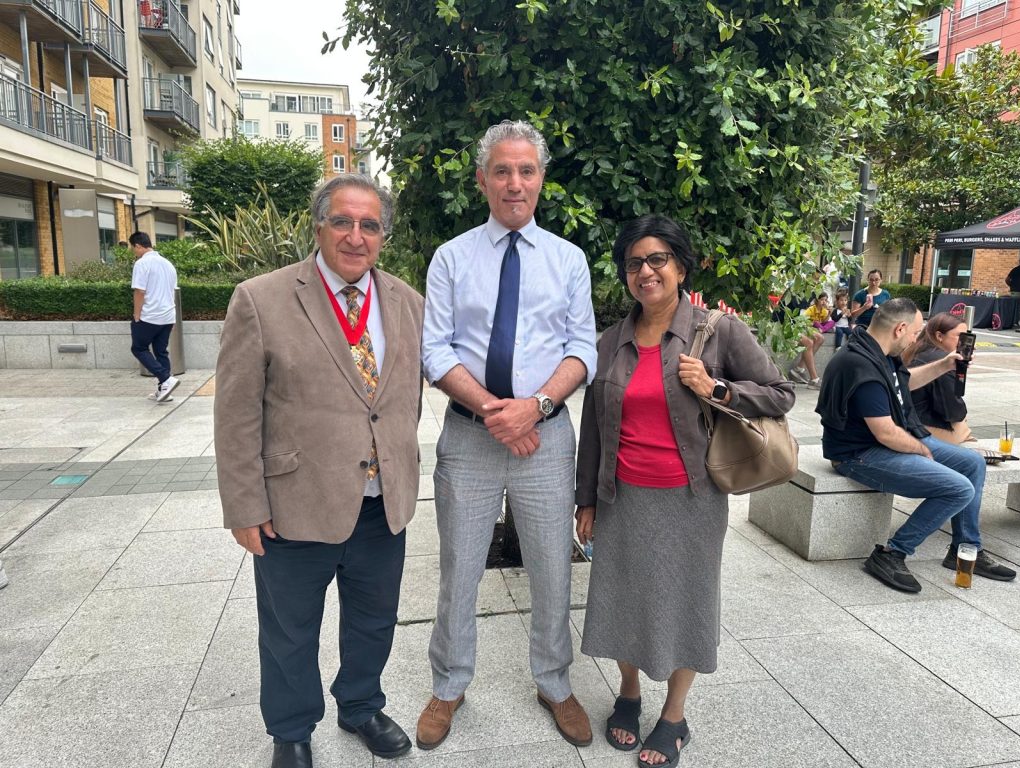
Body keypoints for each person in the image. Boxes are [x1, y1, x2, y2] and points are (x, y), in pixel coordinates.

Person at [215, 175, 424, 768]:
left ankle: (360, 706)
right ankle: (291, 730)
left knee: (374, 622)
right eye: (342, 222)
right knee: (290, 631)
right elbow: (235, 414)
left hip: (381, 505)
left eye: (369, 225)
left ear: (382, 235)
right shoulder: (261, 299)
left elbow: (400, 400)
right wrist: (245, 506)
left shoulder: (407, 303)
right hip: (295, 505)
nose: (356, 236)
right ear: (319, 227)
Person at [574, 215, 794, 768]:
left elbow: (780, 393)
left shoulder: (719, 332)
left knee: (688, 602)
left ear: (680, 266)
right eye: (634, 263)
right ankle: (628, 694)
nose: (645, 272)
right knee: (621, 600)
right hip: (623, 496)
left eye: (657, 260)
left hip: (692, 500)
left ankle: (674, 716)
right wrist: (586, 499)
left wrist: (717, 387)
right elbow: (594, 426)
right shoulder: (611, 342)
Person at [418, 120, 597, 750]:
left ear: (541, 178)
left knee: (552, 570)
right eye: (502, 170)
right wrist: (500, 412)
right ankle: (448, 685)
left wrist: (535, 407)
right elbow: (435, 350)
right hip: (469, 437)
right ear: (482, 180)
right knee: (459, 570)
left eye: (526, 170)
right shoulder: (451, 257)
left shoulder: (568, 260)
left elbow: (581, 349)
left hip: (545, 438)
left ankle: (554, 682)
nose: (514, 182)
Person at [816, 298, 1016, 593]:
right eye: (915, 333)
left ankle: (965, 548)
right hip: (859, 454)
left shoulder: (879, 351)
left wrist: (946, 363)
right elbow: (885, 433)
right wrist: (922, 450)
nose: (916, 339)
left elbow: (903, 384)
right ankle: (892, 553)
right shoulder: (860, 364)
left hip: (889, 439)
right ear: (899, 329)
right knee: (959, 488)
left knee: (972, 463)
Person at [903, 312, 975, 444]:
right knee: (963, 429)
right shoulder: (943, 362)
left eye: (966, 336)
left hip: (906, 419)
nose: (964, 342)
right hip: (921, 427)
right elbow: (953, 412)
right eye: (960, 336)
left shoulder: (916, 350)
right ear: (939, 336)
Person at [129, 231, 178, 403]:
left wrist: (136, 315)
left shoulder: (142, 264)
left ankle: (166, 379)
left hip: (149, 315)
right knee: (161, 351)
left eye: (133, 248)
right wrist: (172, 317)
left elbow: (139, 291)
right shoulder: (168, 264)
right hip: (168, 315)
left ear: (138, 245)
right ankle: (164, 390)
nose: (134, 252)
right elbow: (172, 291)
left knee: (139, 349)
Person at [1005, 252, 1020, 330]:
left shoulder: (1015, 269)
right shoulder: (1016, 269)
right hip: (1019, 292)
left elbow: (1007, 280)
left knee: (1015, 307)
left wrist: (1011, 285)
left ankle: (1014, 321)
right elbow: (1007, 279)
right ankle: (1019, 322)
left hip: (1014, 292)